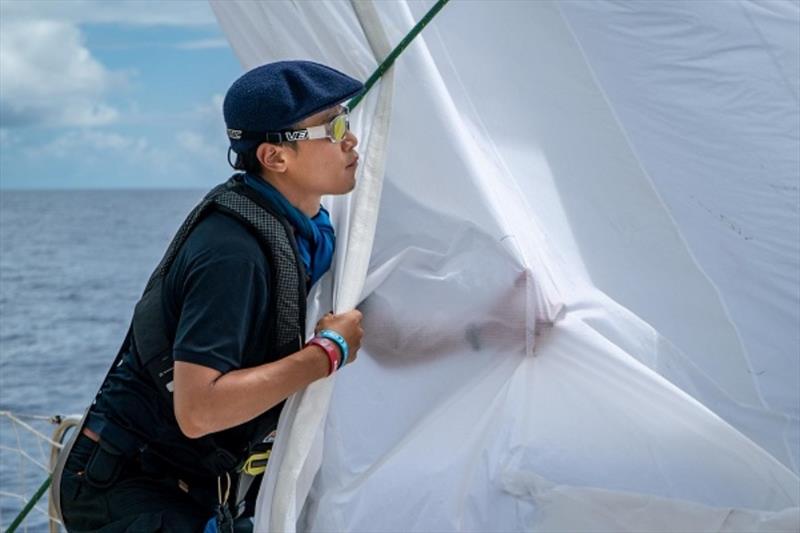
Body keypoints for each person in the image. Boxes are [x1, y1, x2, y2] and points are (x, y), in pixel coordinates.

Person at [55, 60, 365, 532]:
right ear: (275, 157)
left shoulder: (311, 233)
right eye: (334, 126)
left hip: (194, 483)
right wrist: (328, 353)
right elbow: (199, 411)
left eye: (349, 119)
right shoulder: (233, 254)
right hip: (126, 490)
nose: (351, 138)